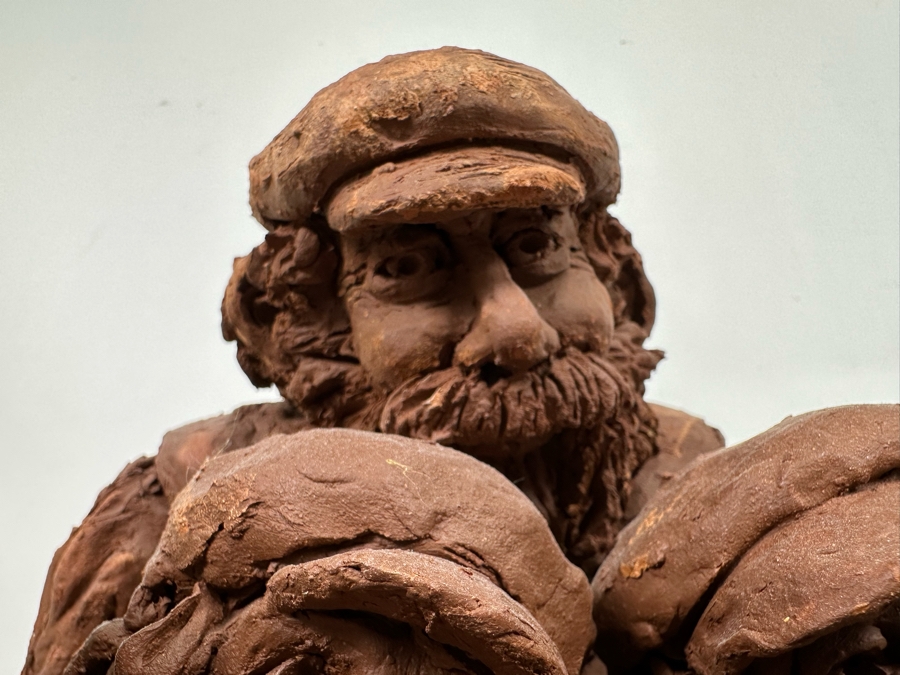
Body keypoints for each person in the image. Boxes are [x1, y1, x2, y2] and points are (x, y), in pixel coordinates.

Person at [23, 48, 898, 675]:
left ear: (620, 281)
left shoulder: (711, 499)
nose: (512, 331)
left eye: (538, 248)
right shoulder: (169, 519)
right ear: (295, 322)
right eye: (409, 268)